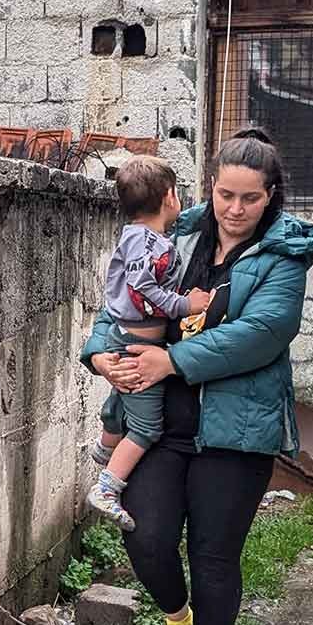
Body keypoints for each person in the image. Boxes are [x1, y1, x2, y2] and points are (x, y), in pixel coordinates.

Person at [82, 128, 313, 625]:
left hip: (235, 430)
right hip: (160, 423)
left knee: (215, 554)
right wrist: (99, 354)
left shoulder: (283, 256)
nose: (235, 210)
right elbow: (120, 300)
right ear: (208, 188)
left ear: (272, 196)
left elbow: (264, 333)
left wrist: (172, 358)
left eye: (250, 198)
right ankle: (176, 618)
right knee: (145, 536)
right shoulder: (178, 232)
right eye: (225, 195)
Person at [85, 155, 214, 532]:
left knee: (120, 397)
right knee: (145, 427)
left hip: (123, 337)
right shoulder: (150, 244)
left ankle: (106, 447)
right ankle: (107, 487)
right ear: (170, 197)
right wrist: (184, 304)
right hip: (136, 346)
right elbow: (143, 287)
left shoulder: (142, 236)